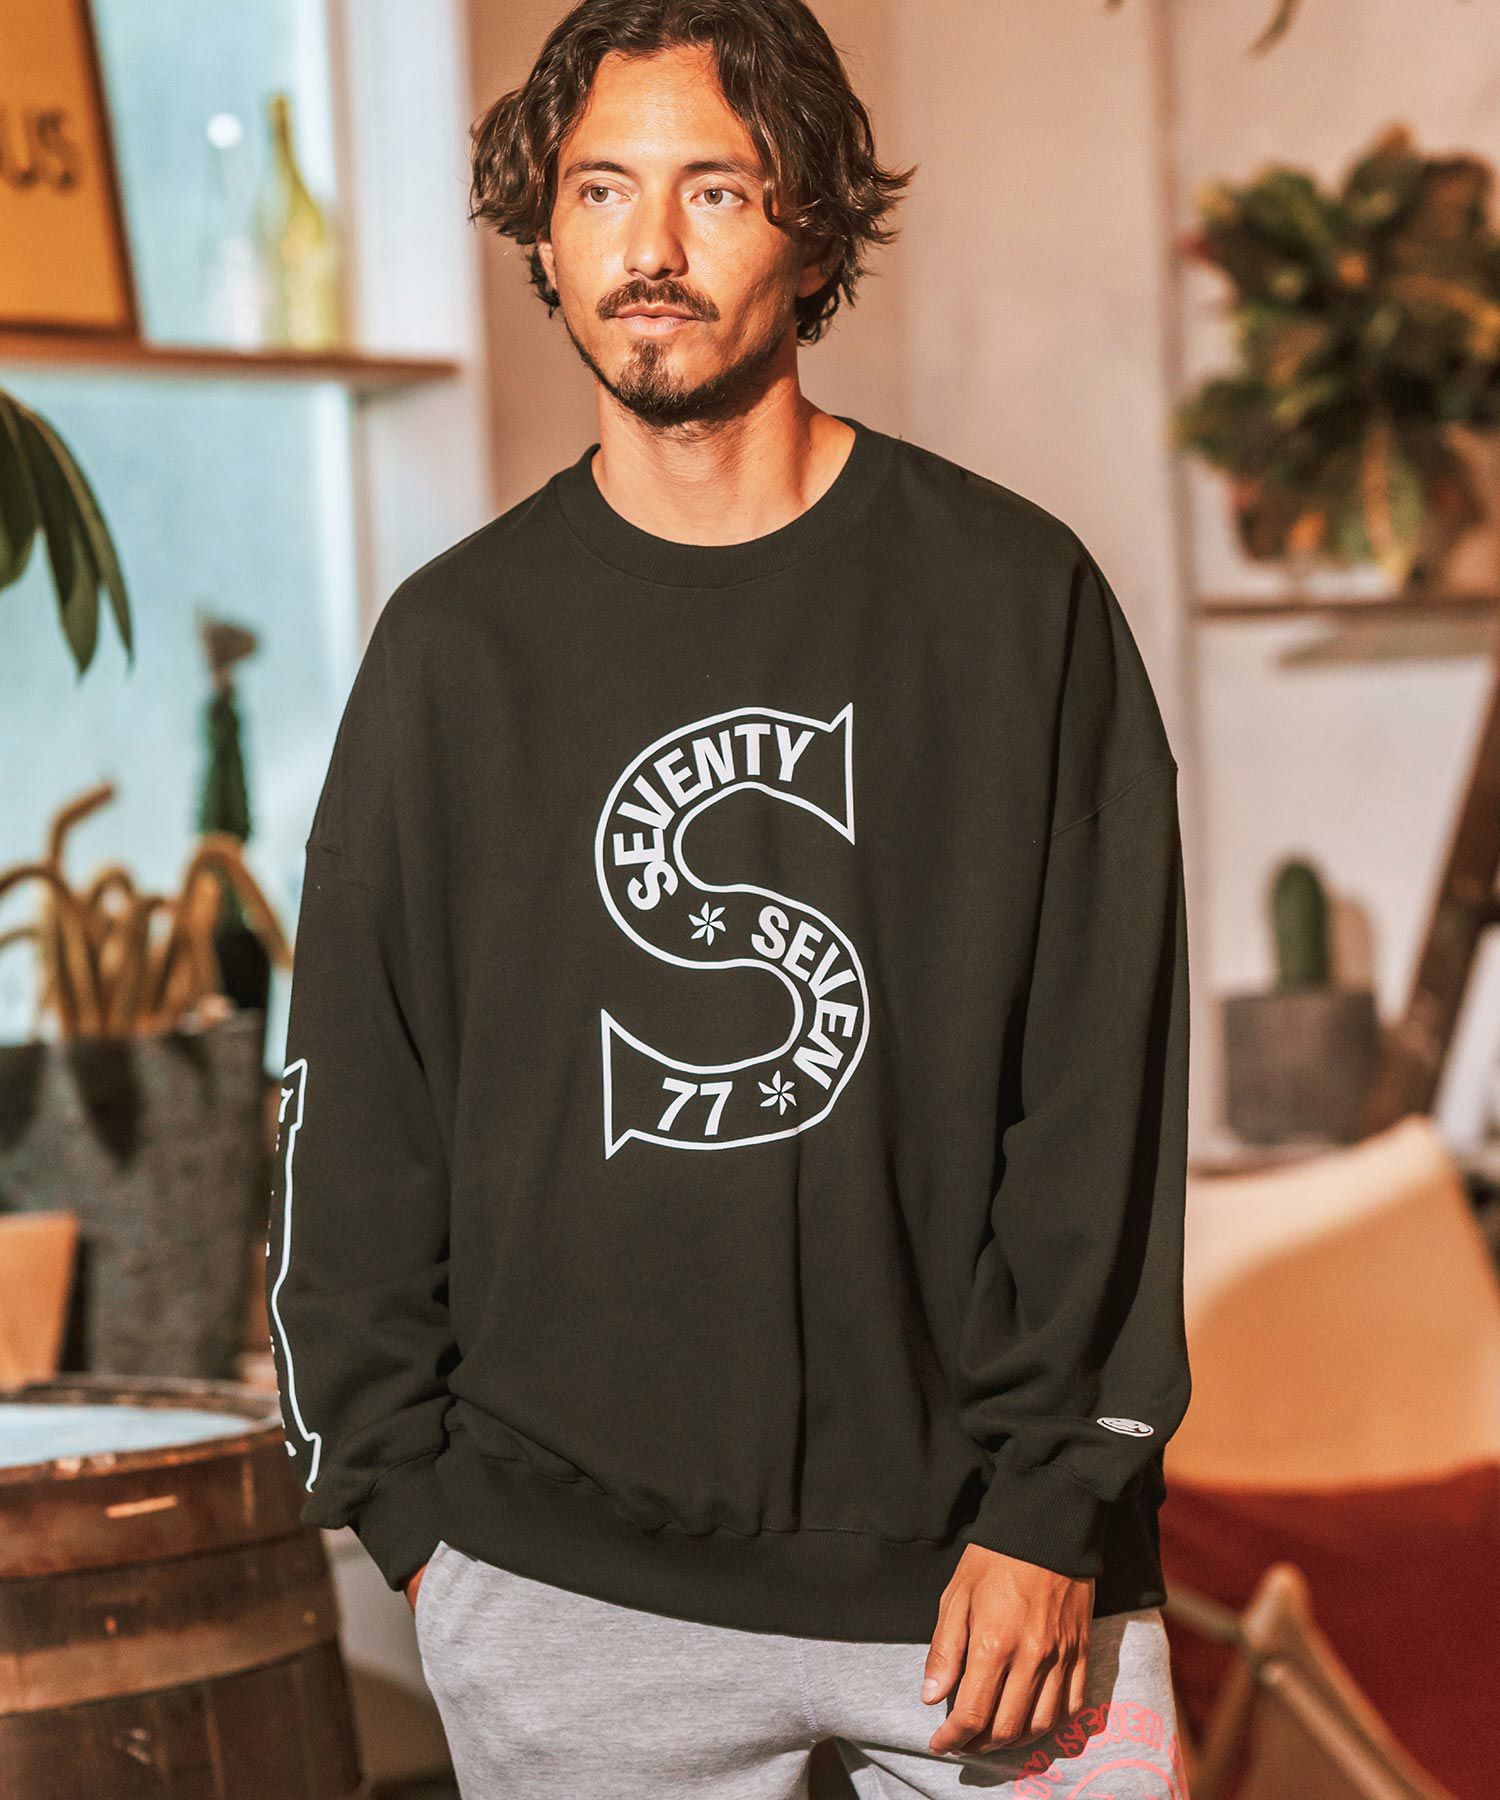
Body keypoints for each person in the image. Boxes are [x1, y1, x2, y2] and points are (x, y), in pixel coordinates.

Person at [264, 1, 1194, 1793]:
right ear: (547, 236)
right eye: (600, 190)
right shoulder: (454, 650)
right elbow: (357, 1101)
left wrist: (1057, 1497)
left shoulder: (1016, 605)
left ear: (815, 229)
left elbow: (1105, 1094)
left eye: (716, 188)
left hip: (992, 1581)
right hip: (556, 1585)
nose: (652, 247)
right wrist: (407, 1513)